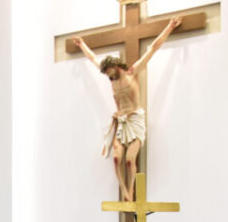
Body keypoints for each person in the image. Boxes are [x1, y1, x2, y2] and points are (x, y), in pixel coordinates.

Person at [74, 16, 182, 202]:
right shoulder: (111, 78)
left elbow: (153, 48)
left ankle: (131, 189)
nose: (109, 77)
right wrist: (82, 45)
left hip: (135, 119)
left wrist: (170, 26)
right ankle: (124, 189)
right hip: (121, 121)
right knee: (117, 159)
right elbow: (93, 59)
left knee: (130, 160)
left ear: (115, 66)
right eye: (106, 74)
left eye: (109, 72)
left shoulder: (132, 72)